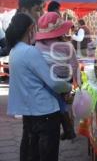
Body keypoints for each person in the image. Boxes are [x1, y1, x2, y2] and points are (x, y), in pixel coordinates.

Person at [6, 13, 72, 161]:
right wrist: (68, 87)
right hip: (46, 113)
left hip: (29, 113)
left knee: (31, 154)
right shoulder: (30, 51)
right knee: (47, 155)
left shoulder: (14, 51)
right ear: (31, 29)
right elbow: (53, 82)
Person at [35, 12, 79, 140]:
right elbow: (75, 66)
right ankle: (68, 129)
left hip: (46, 81)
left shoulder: (37, 45)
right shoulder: (67, 46)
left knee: (58, 104)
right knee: (62, 104)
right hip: (64, 80)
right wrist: (77, 85)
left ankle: (67, 129)